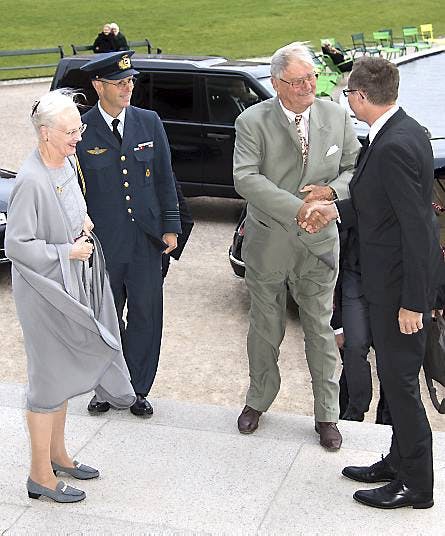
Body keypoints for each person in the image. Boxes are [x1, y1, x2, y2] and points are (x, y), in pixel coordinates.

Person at [299, 56, 443, 509]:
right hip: (387, 284)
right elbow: (379, 205)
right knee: (395, 380)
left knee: (401, 385)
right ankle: (397, 461)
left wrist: (413, 304)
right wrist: (333, 208)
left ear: (359, 97)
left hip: (399, 291)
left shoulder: (396, 144)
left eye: (348, 95)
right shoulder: (402, 132)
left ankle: (417, 485)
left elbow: (419, 229)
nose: (347, 102)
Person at [5, 89, 135, 503]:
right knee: (46, 384)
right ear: (45, 134)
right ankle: (39, 476)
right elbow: (16, 246)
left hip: (69, 284)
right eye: (70, 131)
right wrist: (67, 251)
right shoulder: (30, 180)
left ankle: (58, 455)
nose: (78, 137)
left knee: (60, 379)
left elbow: (72, 207)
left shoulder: (65, 161)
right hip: (44, 295)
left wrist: (83, 222)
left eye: (78, 128)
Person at [233, 42, 360, 449]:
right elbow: (246, 178)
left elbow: (355, 169)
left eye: (312, 78)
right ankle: (257, 401)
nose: (308, 86)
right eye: (298, 80)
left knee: (321, 330)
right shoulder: (252, 121)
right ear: (276, 83)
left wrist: (330, 199)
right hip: (269, 242)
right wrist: (298, 208)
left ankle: (327, 415)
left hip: (320, 244)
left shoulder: (336, 116)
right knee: (264, 327)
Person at [76, 51, 181, 418]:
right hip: (103, 244)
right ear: (98, 86)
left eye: (130, 81)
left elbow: (166, 178)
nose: (128, 88)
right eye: (120, 83)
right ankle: (105, 388)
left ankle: (137, 389)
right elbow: (74, 191)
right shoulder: (81, 129)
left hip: (145, 241)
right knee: (103, 318)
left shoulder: (148, 122)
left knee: (146, 316)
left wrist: (171, 227)